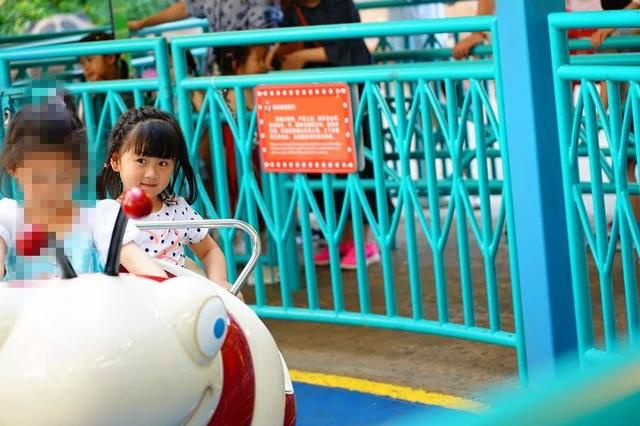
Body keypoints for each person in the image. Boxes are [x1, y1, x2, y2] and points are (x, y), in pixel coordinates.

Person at [0, 101, 166, 280]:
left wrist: (164, 287)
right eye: (38, 178)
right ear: (13, 168)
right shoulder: (8, 216)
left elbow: (147, 270)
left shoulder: (100, 217)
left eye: (63, 177)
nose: (50, 189)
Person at [278, 0, 388, 269]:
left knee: (359, 165)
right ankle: (340, 240)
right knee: (322, 167)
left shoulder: (339, 4)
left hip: (352, 95)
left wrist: (302, 56)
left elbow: (347, 46)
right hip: (317, 97)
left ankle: (364, 242)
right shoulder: (292, 8)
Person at [103, 107, 230, 286]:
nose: (151, 174)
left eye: (162, 163)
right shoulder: (109, 214)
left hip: (177, 299)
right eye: (141, 161)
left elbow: (209, 250)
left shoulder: (177, 209)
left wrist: (220, 282)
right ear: (116, 161)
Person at [128, 0, 281, 72]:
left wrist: (252, 65)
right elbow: (185, 8)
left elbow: (264, 35)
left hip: (246, 68)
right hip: (217, 66)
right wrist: (141, 24)